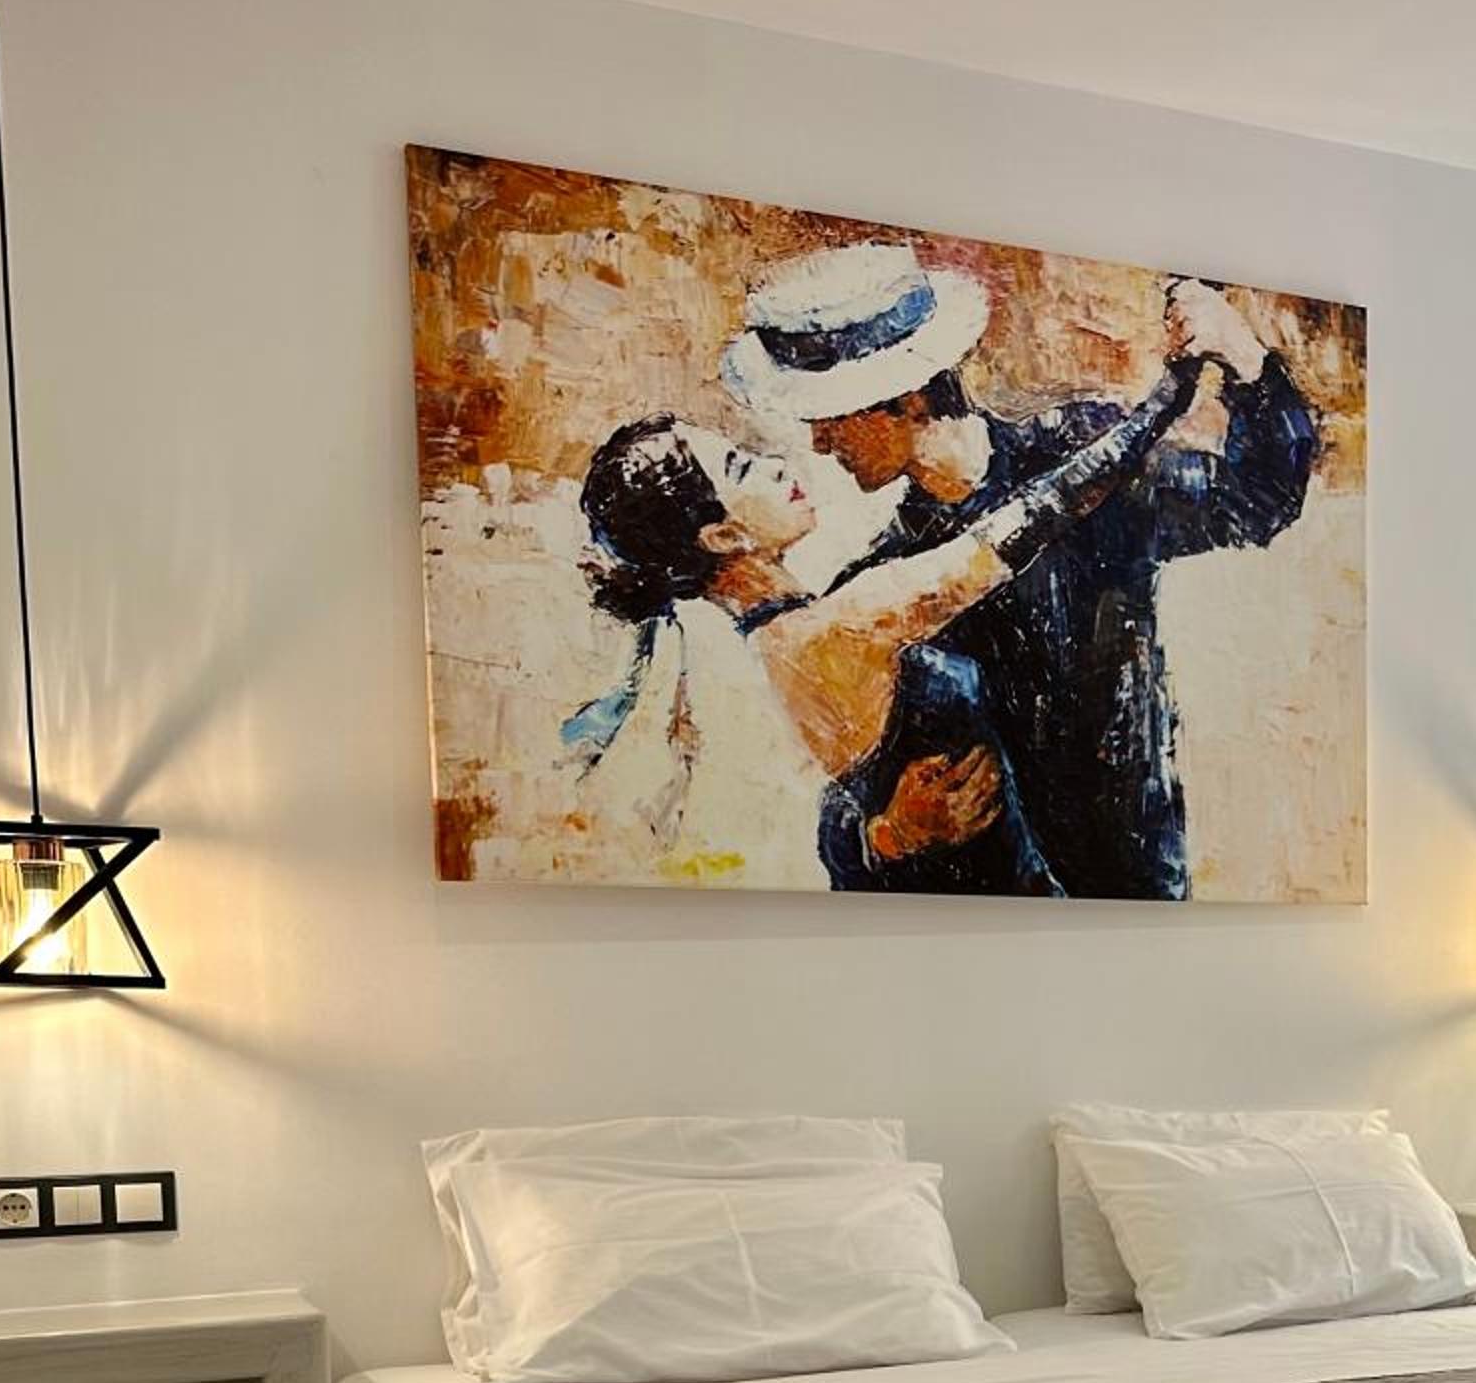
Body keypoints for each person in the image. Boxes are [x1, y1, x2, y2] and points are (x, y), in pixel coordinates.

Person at [727, 251, 1321, 898]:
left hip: (1136, 897)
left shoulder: (1078, 450)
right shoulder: (887, 585)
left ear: (905, 398)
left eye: (830, 416)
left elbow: (1257, 502)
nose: (819, 443)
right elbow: (846, 793)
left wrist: (1245, 360)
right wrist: (886, 836)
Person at [560, 355, 1208, 887]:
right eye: (742, 467)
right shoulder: (837, 629)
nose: (779, 463)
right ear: (724, 536)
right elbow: (1042, 511)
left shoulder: (780, 642)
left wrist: (878, 837)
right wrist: (1171, 393)